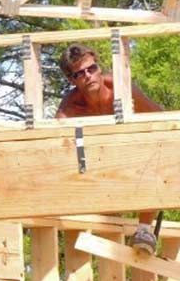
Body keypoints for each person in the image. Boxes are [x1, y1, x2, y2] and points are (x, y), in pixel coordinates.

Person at [56, 44, 163, 250]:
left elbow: (161, 118)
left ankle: (144, 229)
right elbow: (55, 144)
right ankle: (101, 223)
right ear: (72, 80)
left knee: (151, 151)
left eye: (92, 69)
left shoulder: (122, 90)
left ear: (98, 66)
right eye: (80, 74)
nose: (88, 76)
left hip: (134, 152)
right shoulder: (70, 107)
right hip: (100, 163)